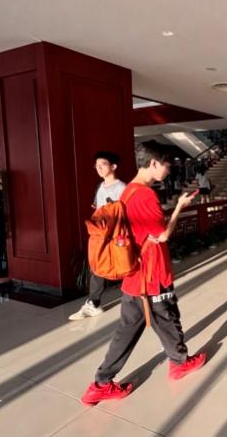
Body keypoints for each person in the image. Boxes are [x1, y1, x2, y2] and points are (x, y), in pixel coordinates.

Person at [80, 141, 206, 406]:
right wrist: (180, 207)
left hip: (134, 275)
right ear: (154, 163)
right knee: (167, 317)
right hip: (151, 274)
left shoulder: (127, 191)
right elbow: (162, 235)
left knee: (130, 329)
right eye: (167, 165)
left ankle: (101, 383)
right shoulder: (145, 195)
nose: (168, 170)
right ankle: (179, 363)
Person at [69, 151, 126, 321]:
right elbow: (98, 211)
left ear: (113, 166)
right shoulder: (100, 187)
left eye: (103, 165)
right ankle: (93, 303)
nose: (99, 168)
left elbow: (125, 214)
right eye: (97, 166)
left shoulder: (122, 188)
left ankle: (137, 295)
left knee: (124, 263)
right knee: (97, 266)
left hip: (117, 235)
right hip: (102, 234)